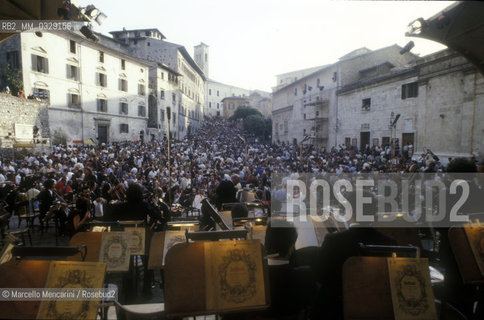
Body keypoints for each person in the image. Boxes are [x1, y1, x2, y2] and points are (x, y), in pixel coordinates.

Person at [312, 191, 397, 319]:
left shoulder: (333, 241)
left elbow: (319, 275)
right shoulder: (390, 242)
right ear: (373, 213)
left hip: (338, 310)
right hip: (380, 309)